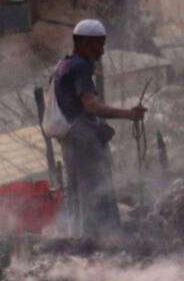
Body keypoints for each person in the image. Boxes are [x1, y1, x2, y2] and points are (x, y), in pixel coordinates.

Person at [51, 20, 145, 240]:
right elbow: (91, 106)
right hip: (84, 140)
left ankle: (83, 241)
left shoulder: (65, 64)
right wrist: (129, 114)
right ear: (85, 42)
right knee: (96, 192)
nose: (102, 50)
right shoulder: (80, 67)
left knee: (79, 194)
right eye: (98, 45)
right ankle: (102, 241)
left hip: (71, 139)